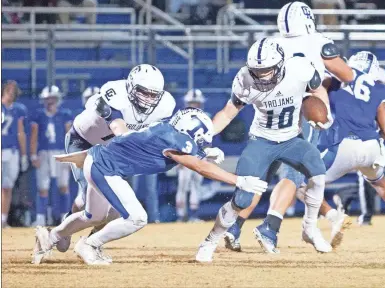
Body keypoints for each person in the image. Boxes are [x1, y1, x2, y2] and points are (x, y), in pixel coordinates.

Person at [32, 107, 267, 265]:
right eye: (200, 139)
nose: (199, 143)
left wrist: (203, 153)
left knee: (94, 215)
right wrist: (237, 179)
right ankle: (89, 245)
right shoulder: (176, 139)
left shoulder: (168, 130)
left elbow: (182, 154)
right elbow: (197, 166)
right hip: (105, 168)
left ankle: (49, 236)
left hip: (98, 160)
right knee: (137, 218)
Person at [224, 1, 354, 254]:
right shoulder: (318, 41)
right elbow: (347, 75)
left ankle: (234, 226)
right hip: (300, 111)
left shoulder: (272, 45)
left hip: (268, 114)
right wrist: (329, 77)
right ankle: (270, 227)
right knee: (295, 177)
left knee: (260, 178)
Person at [196, 38, 333, 263]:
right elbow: (228, 113)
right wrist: (206, 135)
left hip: (292, 139)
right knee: (242, 197)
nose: (262, 76)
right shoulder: (244, 78)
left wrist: (322, 112)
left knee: (318, 174)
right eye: (257, 71)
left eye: (267, 70)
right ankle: (210, 241)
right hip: (262, 141)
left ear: (280, 64)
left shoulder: (300, 69)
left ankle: (310, 229)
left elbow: (317, 90)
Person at [62, 64, 176, 254]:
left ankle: (91, 242)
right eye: (143, 92)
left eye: (152, 95)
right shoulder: (115, 93)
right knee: (85, 200)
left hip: (113, 150)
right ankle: (67, 225)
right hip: (84, 141)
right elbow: (118, 127)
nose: (148, 99)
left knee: (115, 205)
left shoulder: (165, 105)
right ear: (131, 87)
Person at [301, 51, 385, 247]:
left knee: (301, 185)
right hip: (371, 146)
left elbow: (318, 94)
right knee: (379, 180)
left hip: (343, 144)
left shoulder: (335, 80)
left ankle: (334, 216)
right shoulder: (378, 88)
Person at [333, 66, 385, 226]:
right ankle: (362, 212)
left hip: (373, 139)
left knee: (372, 177)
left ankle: (345, 198)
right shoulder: (360, 94)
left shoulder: (384, 95)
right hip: (363, 139)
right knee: (370, 177)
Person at [30, 86, 72, 226]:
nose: (50, 102)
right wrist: (33, 155)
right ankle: (41, 218)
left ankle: (64, 217)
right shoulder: (39, 115)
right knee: (43, 187)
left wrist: (70, 154)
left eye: (52, 98)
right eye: (47, 99)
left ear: (57, 99)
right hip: (44, 152)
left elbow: (69, 134)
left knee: (63, 186)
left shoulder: (65, 114)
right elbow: (34, 136)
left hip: (61, 151)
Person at [176, 89, 211, 222]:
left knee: (197, 185)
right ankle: (181, 215)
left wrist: (208, 156)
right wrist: (178, 157)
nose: (194, 105)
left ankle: (193, 215)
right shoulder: (180, 118)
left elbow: (209, 140)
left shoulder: (206, 117)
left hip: (200, 155)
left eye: (196, 103)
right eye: (192, 103)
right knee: (183, 185)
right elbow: (176, 139)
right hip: (185, 155)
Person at [1, 80, 28, 228]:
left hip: (12, 151)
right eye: (9, 89)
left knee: (7, 187)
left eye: (14, 90)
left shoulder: (19, 109)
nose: (11, 92)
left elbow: (21, 133)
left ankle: (2, 220)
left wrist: (23, 155)